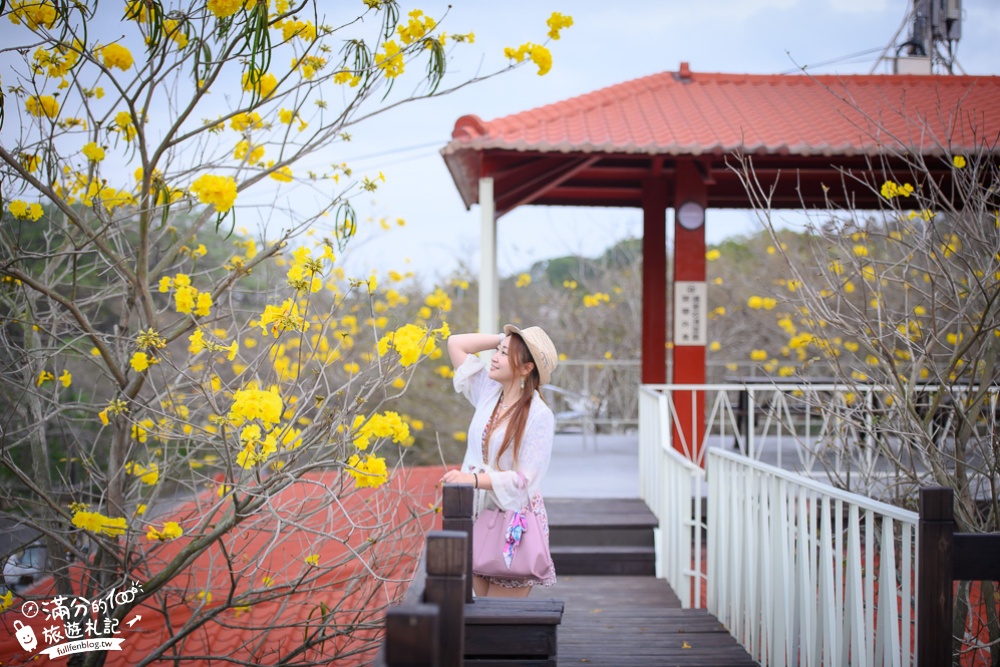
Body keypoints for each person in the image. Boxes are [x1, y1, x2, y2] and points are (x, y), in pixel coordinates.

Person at [440, 324, 558, 597]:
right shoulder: (489, 391)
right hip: (479, 514)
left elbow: (525, 481)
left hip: (514, 522)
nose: (494, 357)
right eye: (497, 351)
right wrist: (506, 339)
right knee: (477, 613)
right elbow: (456, 342)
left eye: (505, 354)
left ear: (527, 368)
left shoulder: (539, 415)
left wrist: (472, 480)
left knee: (502, 620)